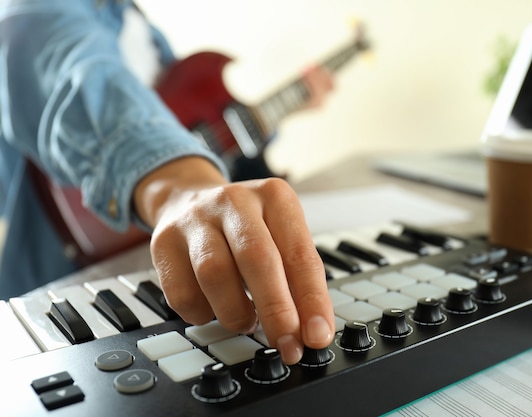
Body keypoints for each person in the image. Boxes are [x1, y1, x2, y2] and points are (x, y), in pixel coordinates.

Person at [0, 0, 335, 365]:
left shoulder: (145, 30)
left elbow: (196, 134)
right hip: (62, 303)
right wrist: (183, 188)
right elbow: (78, 73)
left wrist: (275, 116)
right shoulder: (32, 11)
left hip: (163, 281)